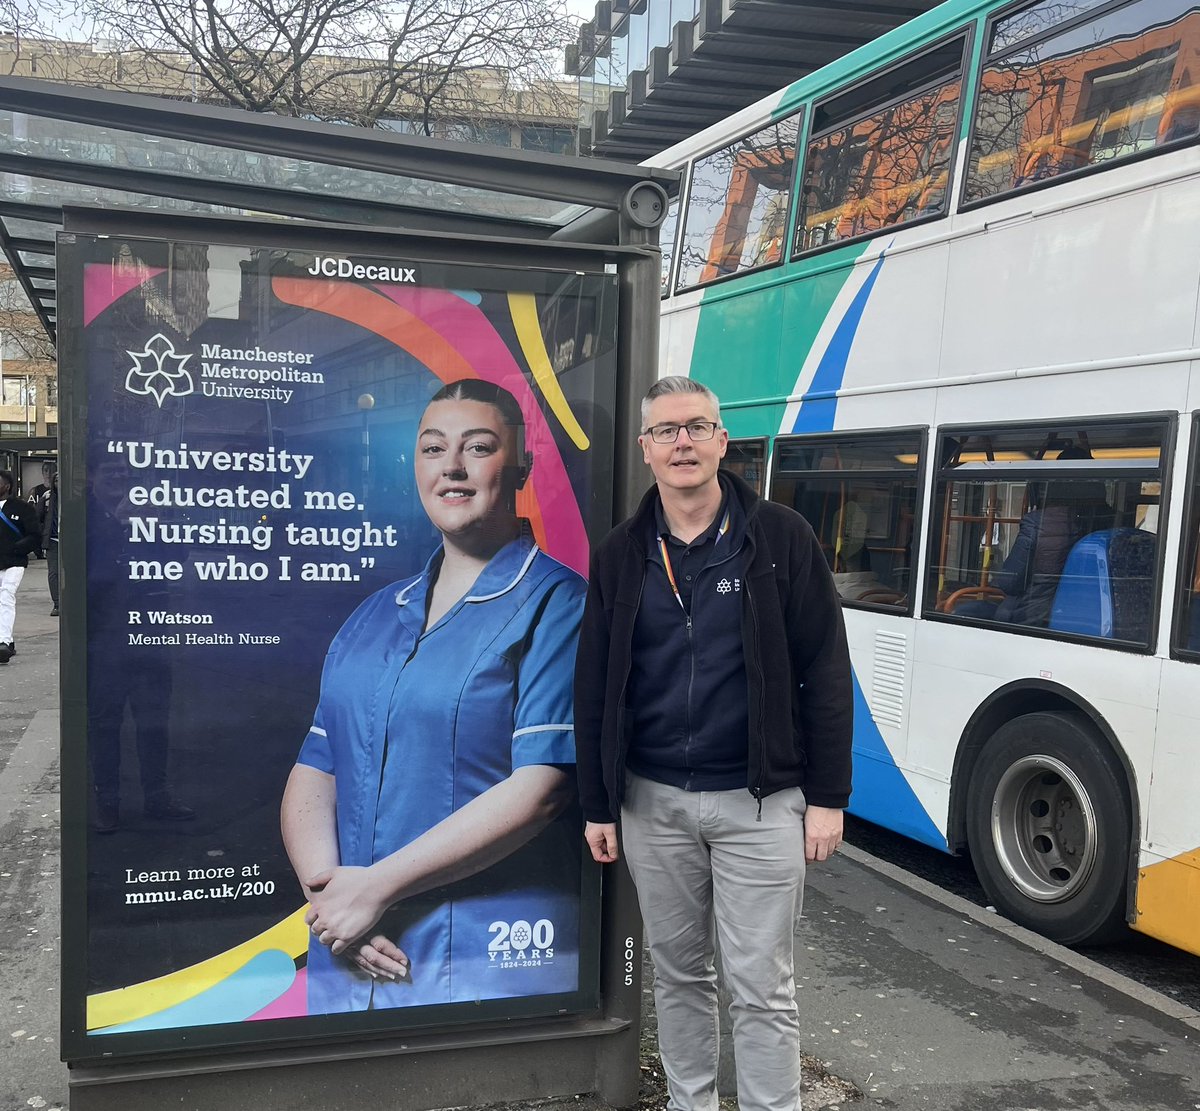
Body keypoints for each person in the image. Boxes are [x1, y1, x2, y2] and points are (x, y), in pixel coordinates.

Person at [573, 376, 853, 1111]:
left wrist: (828, 798)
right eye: (667, 431)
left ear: (723, 441)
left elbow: (826, 668)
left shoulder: (780, 538)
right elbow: (595, 682)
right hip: (652, 802)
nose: (683, 442)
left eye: (697, 427)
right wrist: (598, 803)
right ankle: (690, 1103)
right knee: (678, 975)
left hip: (762, 805)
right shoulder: (621, 552)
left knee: (762, 984)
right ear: (646, 450)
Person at [282, 378, 586, 1015]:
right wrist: (332, 901)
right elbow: (317, 764)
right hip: (346, 953)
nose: (451, 467)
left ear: (519, 468)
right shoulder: (373, 614)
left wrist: (373, 892)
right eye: (432, 448)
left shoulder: (560, 604)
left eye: (478, 447)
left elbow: (543, 787)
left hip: (477, 959)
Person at [0, 468, 40, 663]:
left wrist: (18, 549)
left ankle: (4, 643)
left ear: (7, 486)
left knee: (6, 595)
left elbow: (34, 535)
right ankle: (8, 640)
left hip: (14, 562)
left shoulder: (22, 508)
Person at [41, 472, 59, 616]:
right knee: (54, 572)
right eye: (56, 480)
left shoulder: (76, 496)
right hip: (53, 540)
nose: (59, 483)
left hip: (71, 541)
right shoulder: (47, 497)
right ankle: (57, 603)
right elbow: (37, 517)